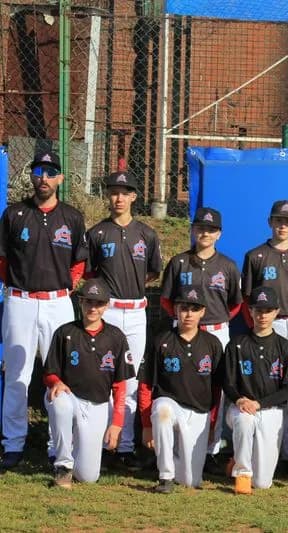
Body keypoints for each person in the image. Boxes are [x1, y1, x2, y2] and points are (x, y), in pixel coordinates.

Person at [0, 150, 88, 470]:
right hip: (20, 301)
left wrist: (67, 286)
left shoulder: (73, 217)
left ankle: (57, 445)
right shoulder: (13, 214)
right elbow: (3, 260)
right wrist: (19, 287)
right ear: (32, 175)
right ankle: (13, 444)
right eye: (39, 171)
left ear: (60, 178)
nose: (44, 178)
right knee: (17, 376)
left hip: (57, 303)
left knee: (60, 377)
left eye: (51, 172)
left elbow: (79, 261)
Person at [85, 171, 162, 469]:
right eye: (113, 192)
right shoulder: (96, 233)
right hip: (109, 309)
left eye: (124, 192)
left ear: (134, 196)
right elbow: (91, 274)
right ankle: (105, 445)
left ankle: (127, 445)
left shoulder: (147, 233)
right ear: (108, 196)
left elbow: (152, 272)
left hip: (136, 311)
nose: (118, 197)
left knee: (129, 378)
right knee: (104, 376)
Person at [160, 207, 242, 462]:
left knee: (215, 388)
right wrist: (183, 322)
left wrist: (218, 321)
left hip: (216, 331)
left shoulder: (228, 265)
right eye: (200, 228)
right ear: (194, 230)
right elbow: (166, 300)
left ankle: (211, 450)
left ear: (219, 234)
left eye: (211, 229)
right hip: (184, 331)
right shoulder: (179, 262)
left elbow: (236, 304)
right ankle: (177, 447)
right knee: (180, 384)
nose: (205, 233)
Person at [241, 199, 288, 466]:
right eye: (278, 220)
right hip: (264, 324)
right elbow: (247, 297)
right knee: (264, 381)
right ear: (270, 222)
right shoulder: (255, 256)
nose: (282, 225)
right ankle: (261, 450)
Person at [43, 278, 135, 487]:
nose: (93, 308)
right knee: (59, 401)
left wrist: (117, 423)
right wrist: (56, 381)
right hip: (70, 397)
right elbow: (48, 372)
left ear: (106, 305)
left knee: (88, 476)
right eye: (88, 302)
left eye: (99, 303)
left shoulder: (116, 336)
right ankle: (63, 465)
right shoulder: (65, 332)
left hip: (98, 404)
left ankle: (77, 459)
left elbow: (120, 385)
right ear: (80, 302)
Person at [138, 285, 224, 493]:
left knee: (190, 480)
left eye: (194, 309)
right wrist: (146, 425)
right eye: (184, 308)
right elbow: (146, 384)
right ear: (175, 309)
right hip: (169, 402)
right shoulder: (161, 340)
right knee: (163, 412)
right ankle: (165, 476)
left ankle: (176, 459)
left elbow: (217, 389)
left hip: (199, 410)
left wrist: (212, 424)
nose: (188, 314)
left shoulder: (212, 344)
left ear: (203, 312)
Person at [223, 286, 288, 494]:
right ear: (250, 311)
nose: (262, 315)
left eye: (267, 310)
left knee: (264, 483)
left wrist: (260, 403)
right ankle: (242, 473)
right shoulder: (237, 344)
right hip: (240, 408)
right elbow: (227, 382)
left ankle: (237, 461)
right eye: (258, 310)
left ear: (276, 312)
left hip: (271, 409)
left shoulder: (285, 348)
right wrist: (239, 400)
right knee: (245, 420)